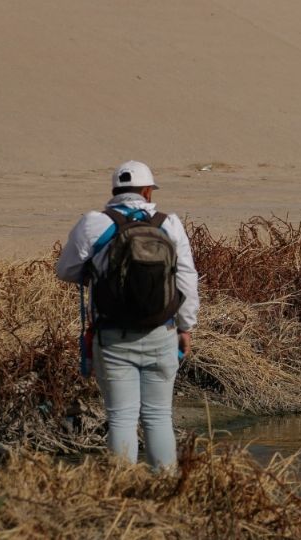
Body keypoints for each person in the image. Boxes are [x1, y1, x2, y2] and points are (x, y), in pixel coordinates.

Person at [56, 160, 199, 470]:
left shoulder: (93, 223)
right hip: (162, 334)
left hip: (113, 337)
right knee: (159, 416)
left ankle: (121, 490)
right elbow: (187, 280)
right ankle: (167, 490)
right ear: (147, 192)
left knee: (121, 416)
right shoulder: (168, 224)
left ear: (113, 191)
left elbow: (65, 270)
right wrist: (186, 328)